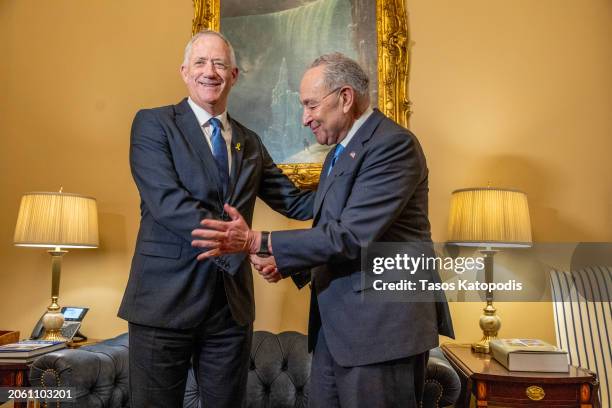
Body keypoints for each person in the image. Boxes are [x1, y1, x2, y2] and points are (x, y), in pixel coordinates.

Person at [191, 53, 455, 408]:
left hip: (383, 331)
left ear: (345, 98)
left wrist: (258, 240)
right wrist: (287, 264)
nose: (304, 118)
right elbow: (332, 227)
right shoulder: (337, 153)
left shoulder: (393, 145)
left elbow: (350, 235)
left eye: (311, 105)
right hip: (338, 329)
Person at [117, 30, 314, 408]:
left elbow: (295, 202)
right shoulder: (153, 125)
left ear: (234, 75)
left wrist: (355, 185)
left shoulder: (250, 141)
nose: (211, 71)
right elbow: (168, 203)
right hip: (163, 303)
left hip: (230, 309)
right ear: (184, 72)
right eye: (201, 63)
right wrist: (239, 244)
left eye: (220, 63)